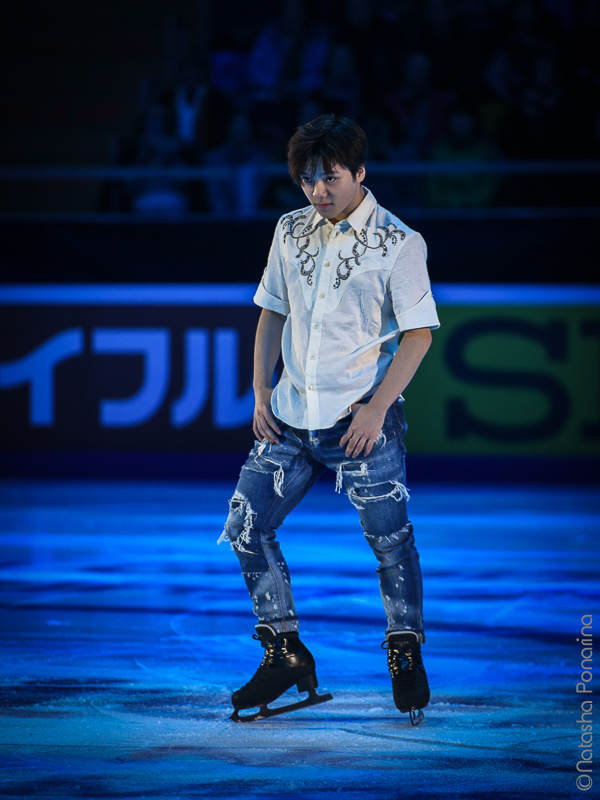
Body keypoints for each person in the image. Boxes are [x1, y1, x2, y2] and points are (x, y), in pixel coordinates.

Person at [219, 114, 440, 725]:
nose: (318, 190)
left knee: (390, 542)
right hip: (289, 419)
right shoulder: (289, 230)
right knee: (245, 526)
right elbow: (271, 313)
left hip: (358, 423)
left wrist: (376, 407)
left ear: (360, 173)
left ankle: (405, 648)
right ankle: (285, 651)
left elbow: (419, 334)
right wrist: (261, 391)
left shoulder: (399, 242)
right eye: (308, 178)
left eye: (330, 177)